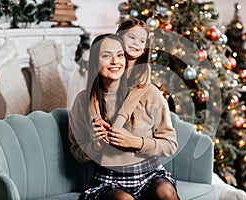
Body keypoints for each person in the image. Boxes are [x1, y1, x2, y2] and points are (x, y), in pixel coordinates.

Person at [69, 33, 179, 199]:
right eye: (107, 56)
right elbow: (77, 152)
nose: (115, 61)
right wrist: (95, 146)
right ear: (95, 62)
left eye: (120, 55)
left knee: (166, 192)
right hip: (108, 179)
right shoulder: (83, 101)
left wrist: (136, 143)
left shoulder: (149, 93)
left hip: (150, 174)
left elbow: (170, 145)